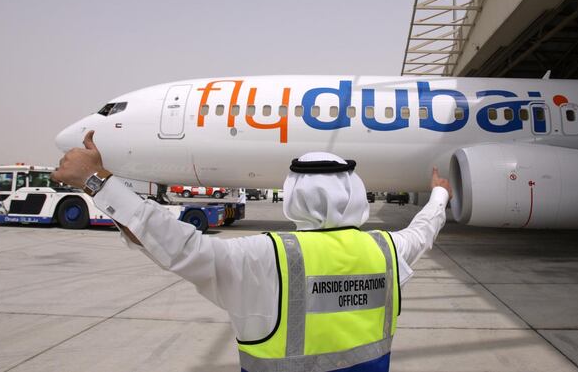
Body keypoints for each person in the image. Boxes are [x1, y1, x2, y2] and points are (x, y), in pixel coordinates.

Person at [52, 131, 451, 372]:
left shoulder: (263, 258)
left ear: (293, 195)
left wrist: (96, 181)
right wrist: (439, 194)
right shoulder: (388, 249)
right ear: (355, 192)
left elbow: (169, 242)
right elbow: (425, 228)